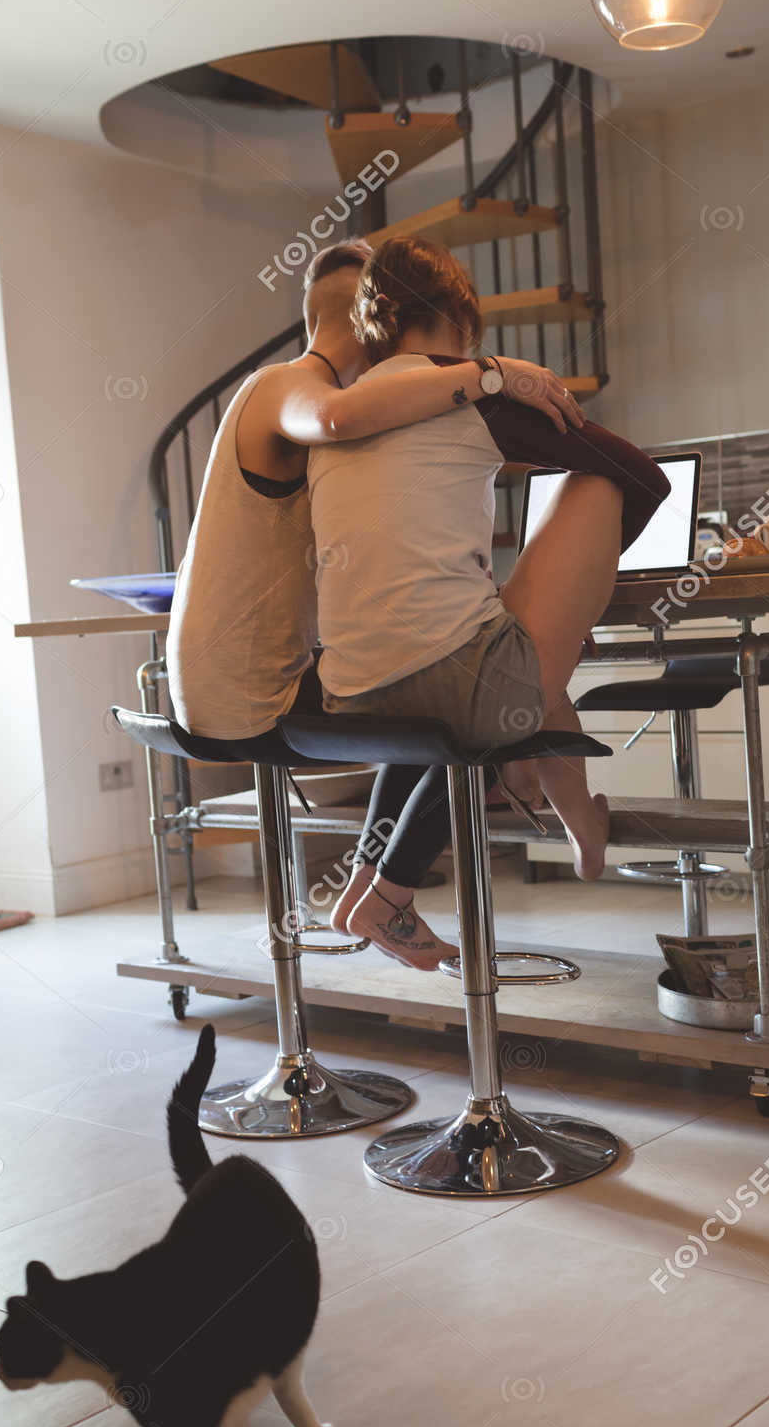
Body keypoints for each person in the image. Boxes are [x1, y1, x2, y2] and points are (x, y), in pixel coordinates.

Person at [166, 237, 584, 958]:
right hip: (246, 698)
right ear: (369, 322)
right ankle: (384, 893)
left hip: (224, 688)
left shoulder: (322, 408)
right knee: (460, 691)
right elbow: (335, 419)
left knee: (420, 671)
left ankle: (369, 892)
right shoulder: (287, 388)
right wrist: (492, 374)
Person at [307, 236, 672, 962]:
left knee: (490, 681)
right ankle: (390, 897)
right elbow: (640, 475)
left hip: (350, 689)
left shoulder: (343, 412)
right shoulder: (470, 387)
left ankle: (366, 882)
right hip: (458, 681)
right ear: (461, 313)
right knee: (595, 484)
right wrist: (581, 597)